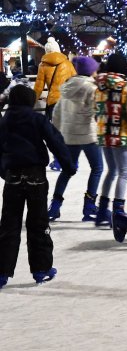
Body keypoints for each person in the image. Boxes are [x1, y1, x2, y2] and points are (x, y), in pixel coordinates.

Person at [0, 85, 75, 289]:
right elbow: (55, 141)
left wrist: (4, 171)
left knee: (9, 225)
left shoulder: (4, 121)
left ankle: (2, 272)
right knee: (38, 224)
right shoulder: (37, 119)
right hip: (35, 177)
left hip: (13, 177)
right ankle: (41, 269)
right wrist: (68, 165)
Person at [49, 57, 104, 222]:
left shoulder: (66, 88)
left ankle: (54, 206)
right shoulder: (91, 88)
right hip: (88, 135)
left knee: (67, 171)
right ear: (91, 71)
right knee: (97, 168)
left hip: (69, 136)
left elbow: (57, 113)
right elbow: (97, 112)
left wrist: (58, 134)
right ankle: (89, 206)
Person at [95, 53, 127, 227]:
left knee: (112, 171)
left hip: (104, 134)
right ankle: (118, 211)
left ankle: (102, 210)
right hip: (120, 135)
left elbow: (96, 111)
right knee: (123, 172)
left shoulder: (99, 87)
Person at [33, 37, 77, 171]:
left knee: (55, 134)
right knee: (67, 133)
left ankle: (58, 161)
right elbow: (74, 82)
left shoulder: (43, 65)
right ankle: (70, 160)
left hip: (53, 103)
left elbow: (39, 86)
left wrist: (31, 101)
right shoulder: (67, 63)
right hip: (67, 102)